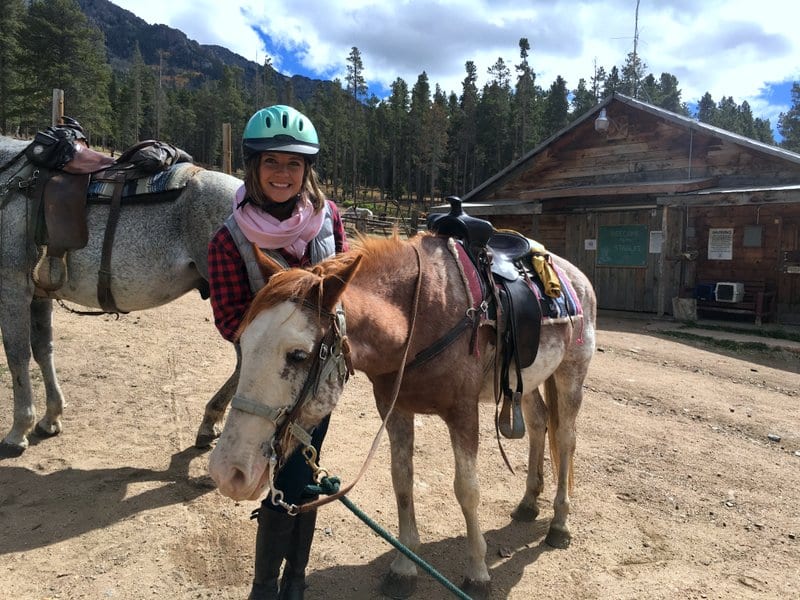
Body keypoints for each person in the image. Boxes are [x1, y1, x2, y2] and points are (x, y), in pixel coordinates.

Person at [207, 105, 349, 600]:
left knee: (303, 471)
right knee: (276, 472)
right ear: (254, 167)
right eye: (272, 162)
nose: (282, 174)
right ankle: (268, 585)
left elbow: (342, 292)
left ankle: (292, 582)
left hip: (316, 373)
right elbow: (229, 318)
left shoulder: (328, 220)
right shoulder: (230, 238)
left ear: (307, 169)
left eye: (293, 163)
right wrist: (279, 332)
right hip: (267, 375)